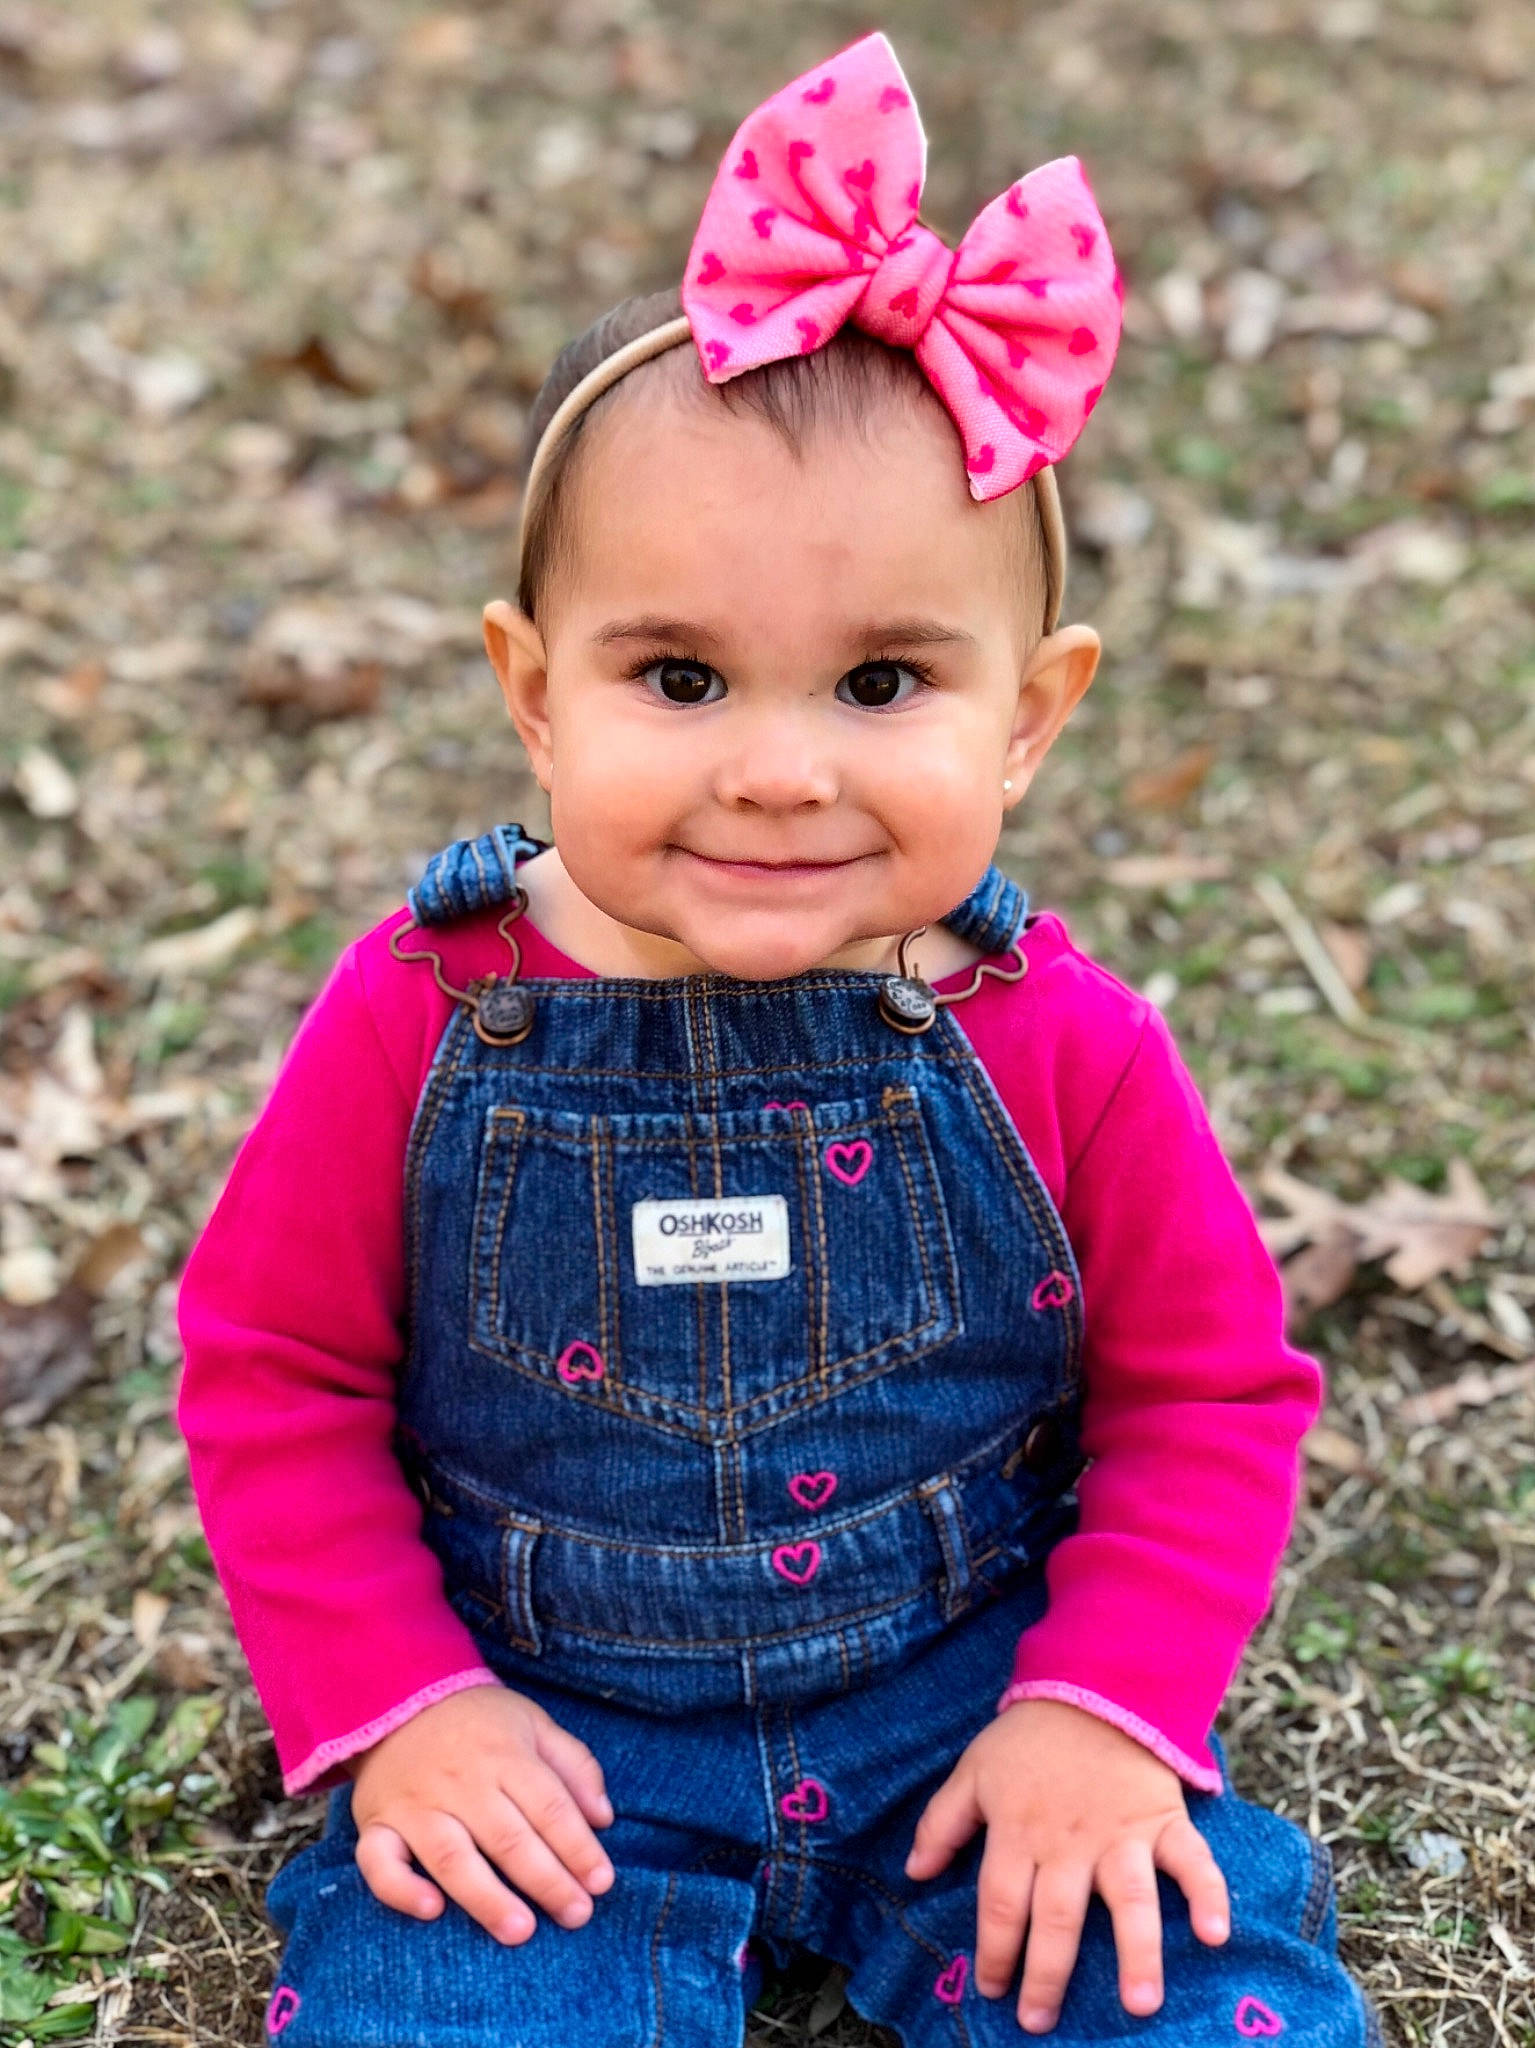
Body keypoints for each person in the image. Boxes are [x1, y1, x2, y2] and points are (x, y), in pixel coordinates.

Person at [175, 30, 1383, 2047]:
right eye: (679, 676)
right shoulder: (423, 1008)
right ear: (534, 692)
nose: (777, 770)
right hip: (549, 1744)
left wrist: (1101, 1708)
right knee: (431, 2006)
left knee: (1176, 1977)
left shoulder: (1053, 1038)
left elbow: (1205, 1397)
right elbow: (275, 1371)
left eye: (882, 682)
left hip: (973, 1707)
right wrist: (406, 1700)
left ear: (1031, 715)